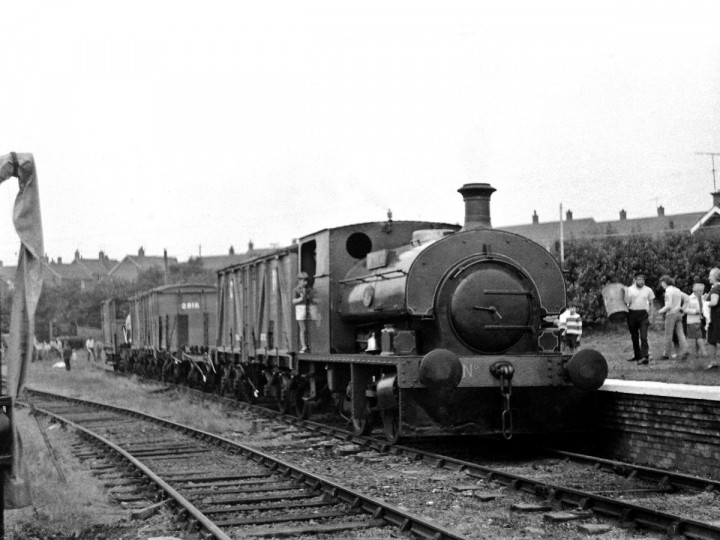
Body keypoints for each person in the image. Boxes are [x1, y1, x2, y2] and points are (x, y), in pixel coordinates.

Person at [624, 271, 655, 365]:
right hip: (632, 313)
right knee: (634, 336)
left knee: (643, 336)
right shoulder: (629, 289)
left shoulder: (648, 290)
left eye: (643, 279)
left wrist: (652, 315)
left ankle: (645, 356)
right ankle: (637, 355)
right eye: (639, 279)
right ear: (635, 280)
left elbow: (652, 304)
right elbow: (626, 302)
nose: (641, 281)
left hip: (643, 314)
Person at [657, 275, 688, 360]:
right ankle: (684, 351)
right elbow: (686, 298)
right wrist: (683, 309)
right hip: (678, 313)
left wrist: (660, 311)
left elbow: (668, 306)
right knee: (681, 333)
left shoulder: (668, 291)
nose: (661, 285)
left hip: (670, 314)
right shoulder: (677, 290)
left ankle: (666, 354)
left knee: (668, 334)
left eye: (662, 282)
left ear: (665, 282)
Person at [683, 281, 708, 362]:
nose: (701, 292)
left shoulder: (702, 298)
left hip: (701, 319)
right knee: (698, 336)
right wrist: (695, 311)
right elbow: (685, 309)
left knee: (698, 336)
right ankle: (704, 352)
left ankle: (696, 353)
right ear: (695, 291)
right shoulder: (689, 298)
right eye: (700, 291)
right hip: (692, 320)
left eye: (702, 291)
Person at [293, 272, 315, 353]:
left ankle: (309, 344)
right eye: (303, 280)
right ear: (299, 281)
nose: (305, 282)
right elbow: (294, 301)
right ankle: (303, 346)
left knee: (310, 327)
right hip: (300, 308)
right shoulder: (296, 290)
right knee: (303, 328)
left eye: (306, 280)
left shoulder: (309, 289)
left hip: (308, 308)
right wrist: (300, 299)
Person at [705, 267, 720, 369]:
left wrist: (706, 304)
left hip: (716, 317)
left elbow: (714, 302)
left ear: (715, 276)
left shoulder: (716, 288)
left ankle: (713, 362)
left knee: (713, 339)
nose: (709, 277)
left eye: (710, 275)